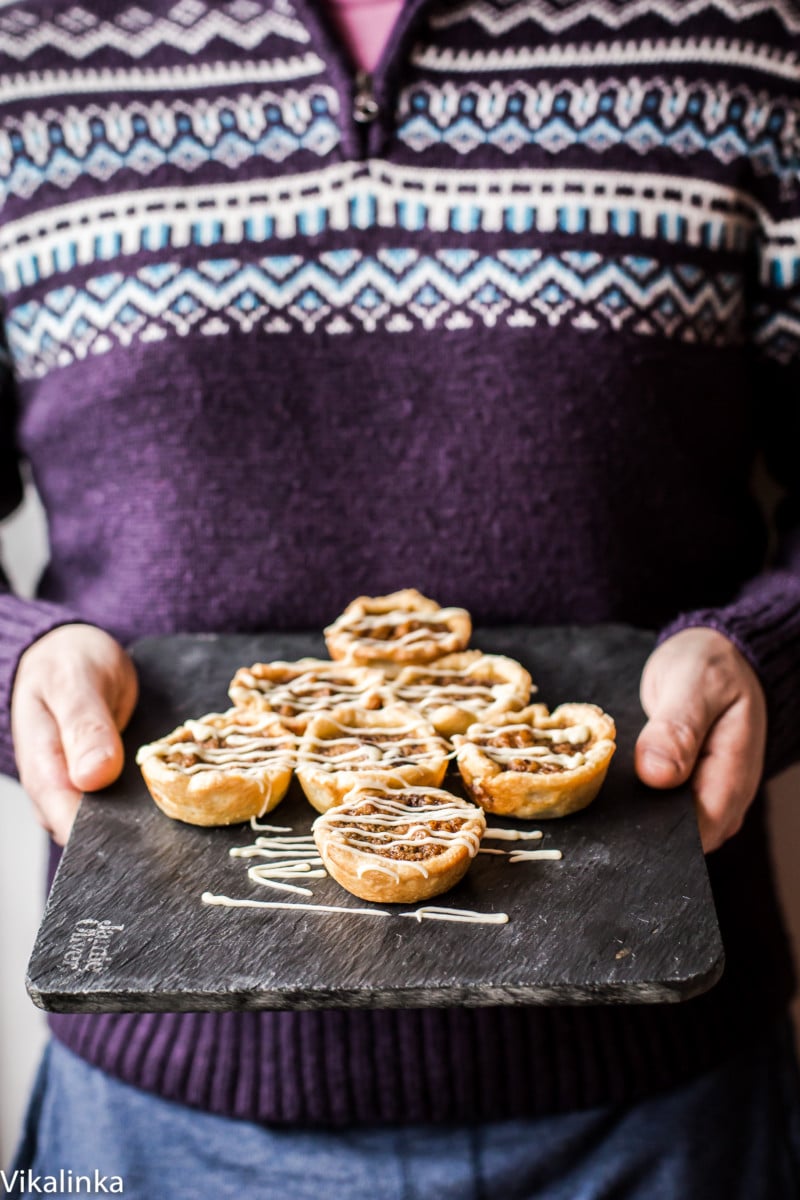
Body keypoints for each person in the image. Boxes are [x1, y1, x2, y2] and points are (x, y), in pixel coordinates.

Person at [2, 0, 800, 1194]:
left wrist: (767, 653)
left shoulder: (745, 30)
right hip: (152, 1121)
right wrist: (20, 662)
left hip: (661, 1100)